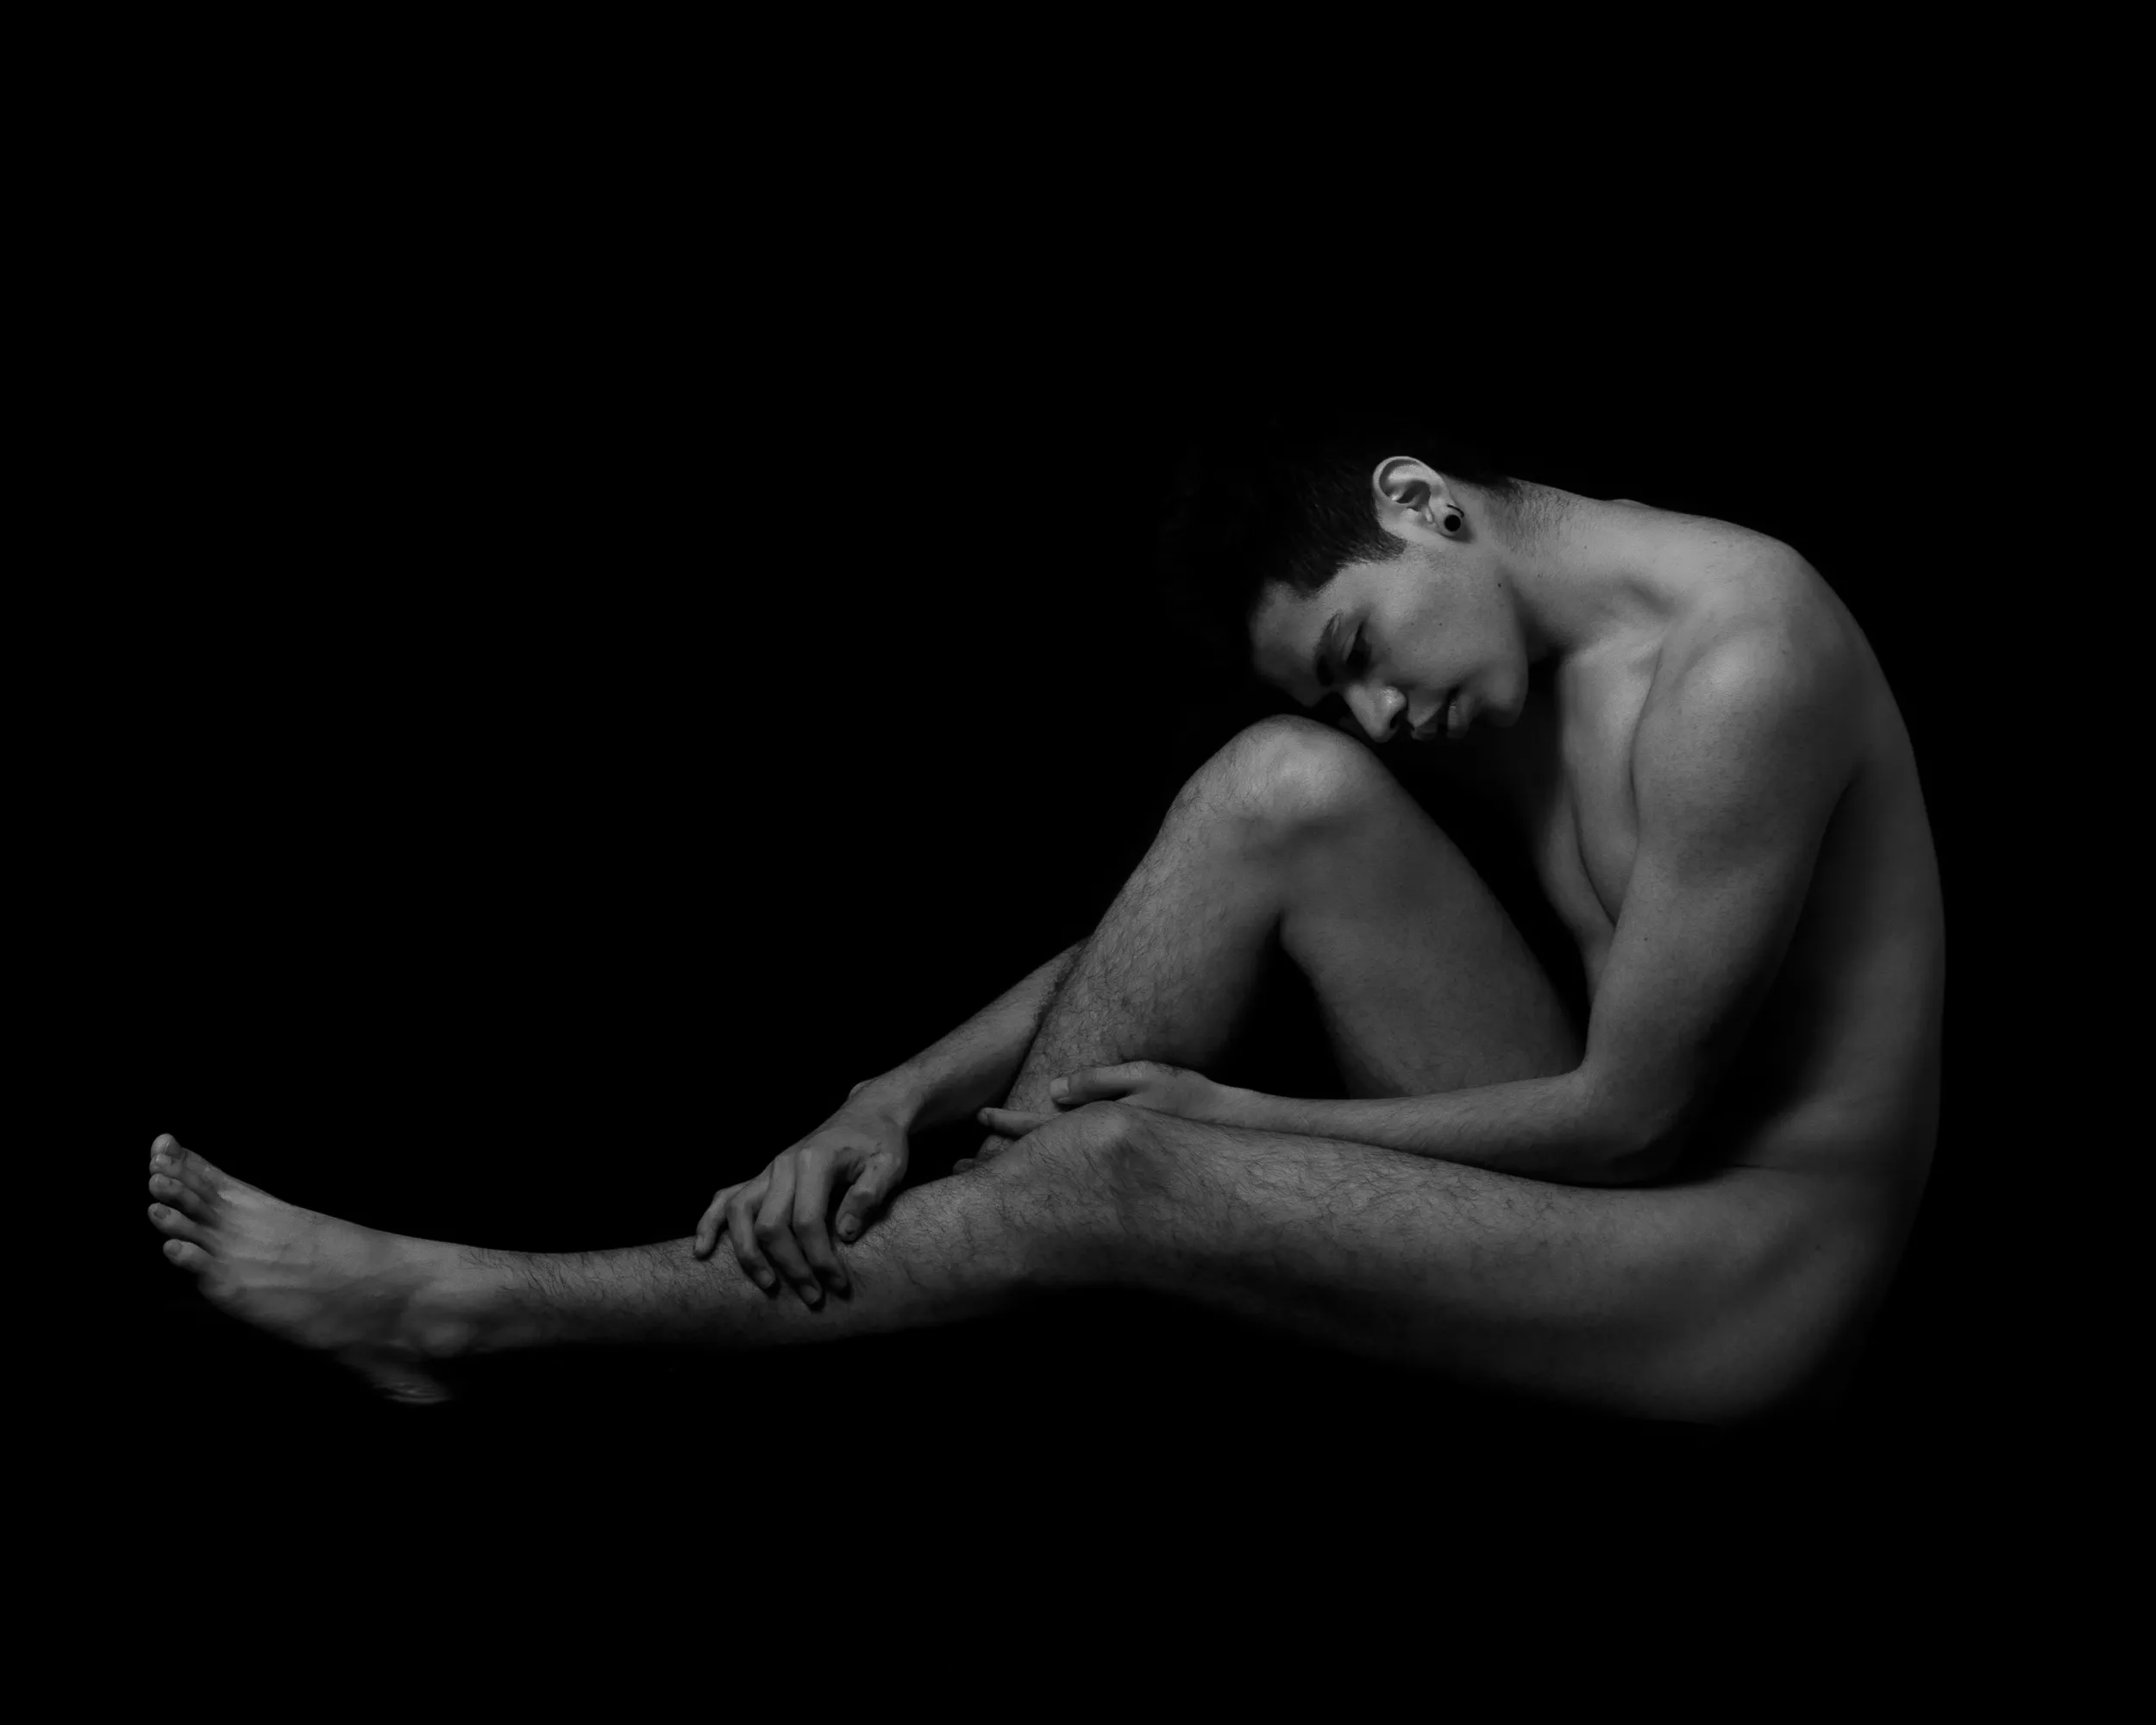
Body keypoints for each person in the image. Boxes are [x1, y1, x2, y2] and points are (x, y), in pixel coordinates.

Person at [141, 417, 1944, 1424]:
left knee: (1127, 1170)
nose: (1383, 716)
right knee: (1268, 788)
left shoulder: (1738, 662)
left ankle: (472, 1309)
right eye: (1351, 687)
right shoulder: (1483, 658)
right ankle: (964, 1254)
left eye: (1359, 653)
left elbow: (1629, 1119)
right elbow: (1194, 886)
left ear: (1421, 503)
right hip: (1605, 1182)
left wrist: (1237, 1122)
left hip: (1739, 1280)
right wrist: (890, 1095)